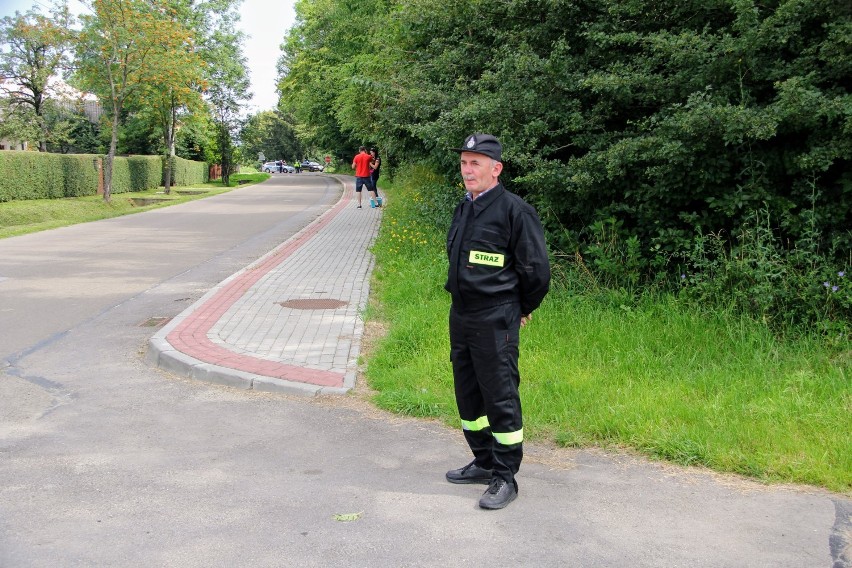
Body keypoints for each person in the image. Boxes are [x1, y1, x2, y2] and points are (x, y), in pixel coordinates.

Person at [444, 133, 550, 510]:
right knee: (468, 392)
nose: (467, 169)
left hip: (496, 316)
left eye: (476, 162)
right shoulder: (464, 207)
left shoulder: (514, 211)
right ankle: (484, 460)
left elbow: (536, 270)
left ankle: (506, 477)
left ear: (496, 168)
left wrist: (520, 307)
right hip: (462, 313)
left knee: (500, 395)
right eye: (464, 162)